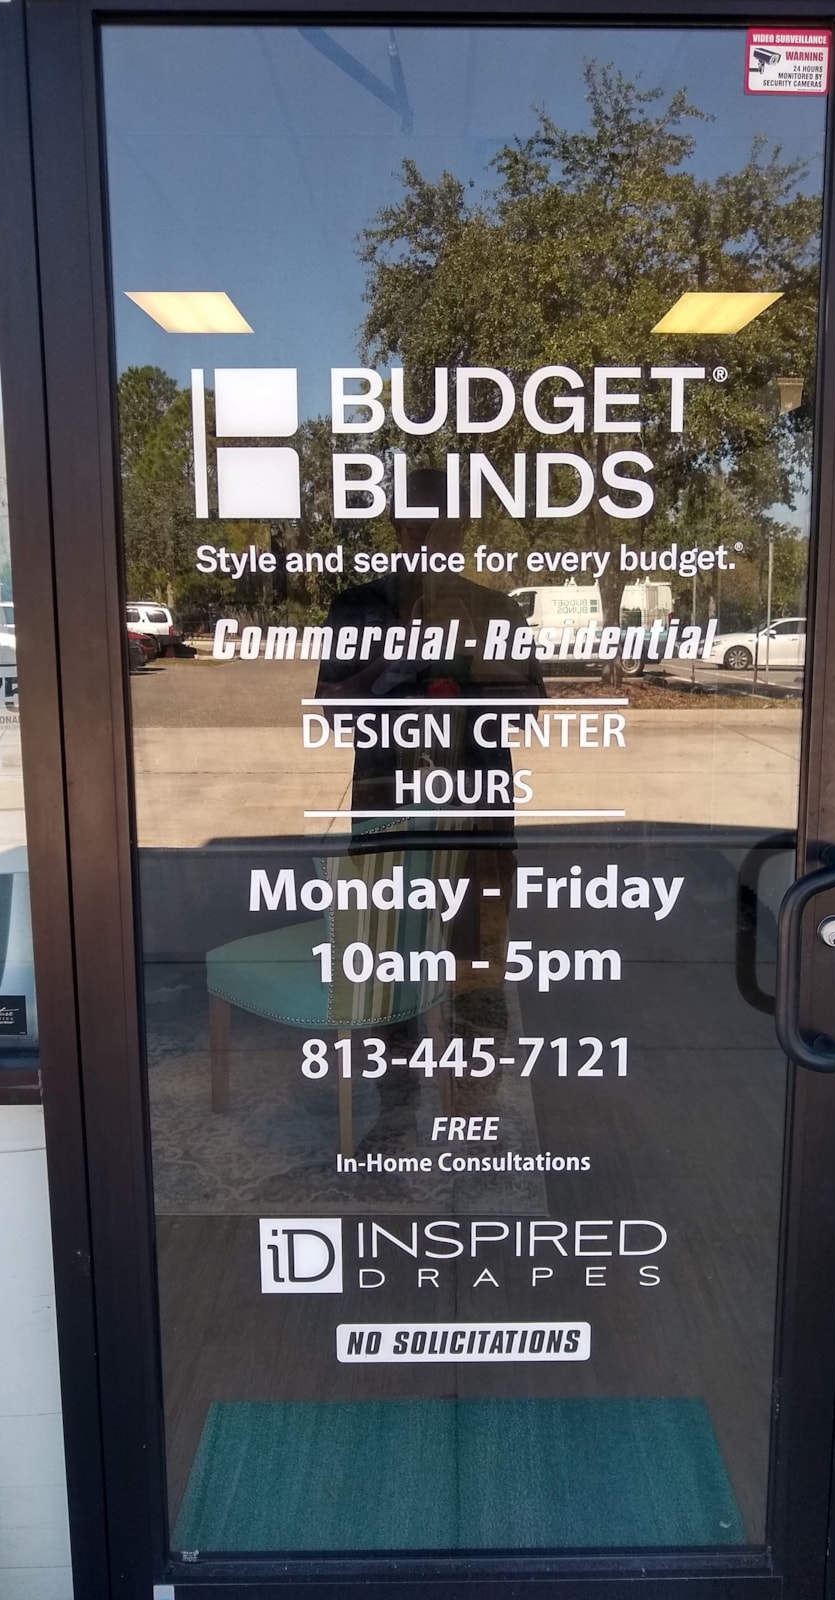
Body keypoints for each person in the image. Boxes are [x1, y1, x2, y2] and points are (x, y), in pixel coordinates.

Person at [314, 468, 543, 1152]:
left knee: (478, 970)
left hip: (478, 818)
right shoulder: (357, 606)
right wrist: (388, 668)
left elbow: (530, 707)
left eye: (440, 528)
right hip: (388, 813)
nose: (426, 540)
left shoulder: (497, 611)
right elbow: (330, 709)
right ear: (396, 527)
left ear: (462, 531)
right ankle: (395, 1111)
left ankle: (475, 1108)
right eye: (415, 526)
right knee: (391, 970)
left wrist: (465, 673)